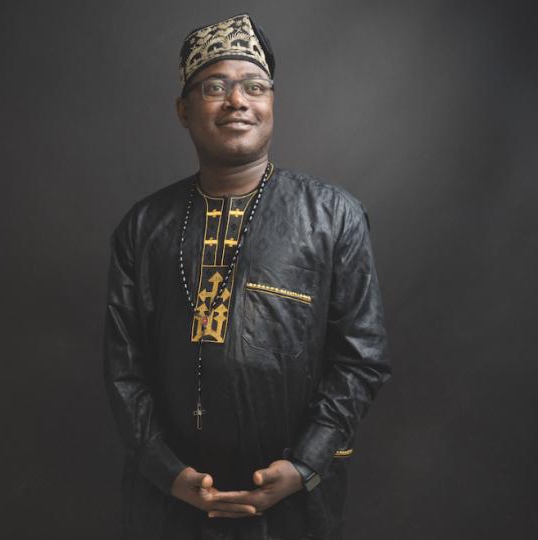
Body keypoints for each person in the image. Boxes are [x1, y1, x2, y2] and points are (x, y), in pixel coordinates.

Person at [103, 12, 390, 540]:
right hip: (168, 503)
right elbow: (124, 370)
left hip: (294, 504)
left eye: (254, 86)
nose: (238, 100)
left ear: (271, 104)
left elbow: (361, 359)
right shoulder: (143, 227)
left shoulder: (333, 216)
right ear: (183, 110)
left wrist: (305, 464)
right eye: (216, 86)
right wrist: (169, 474)